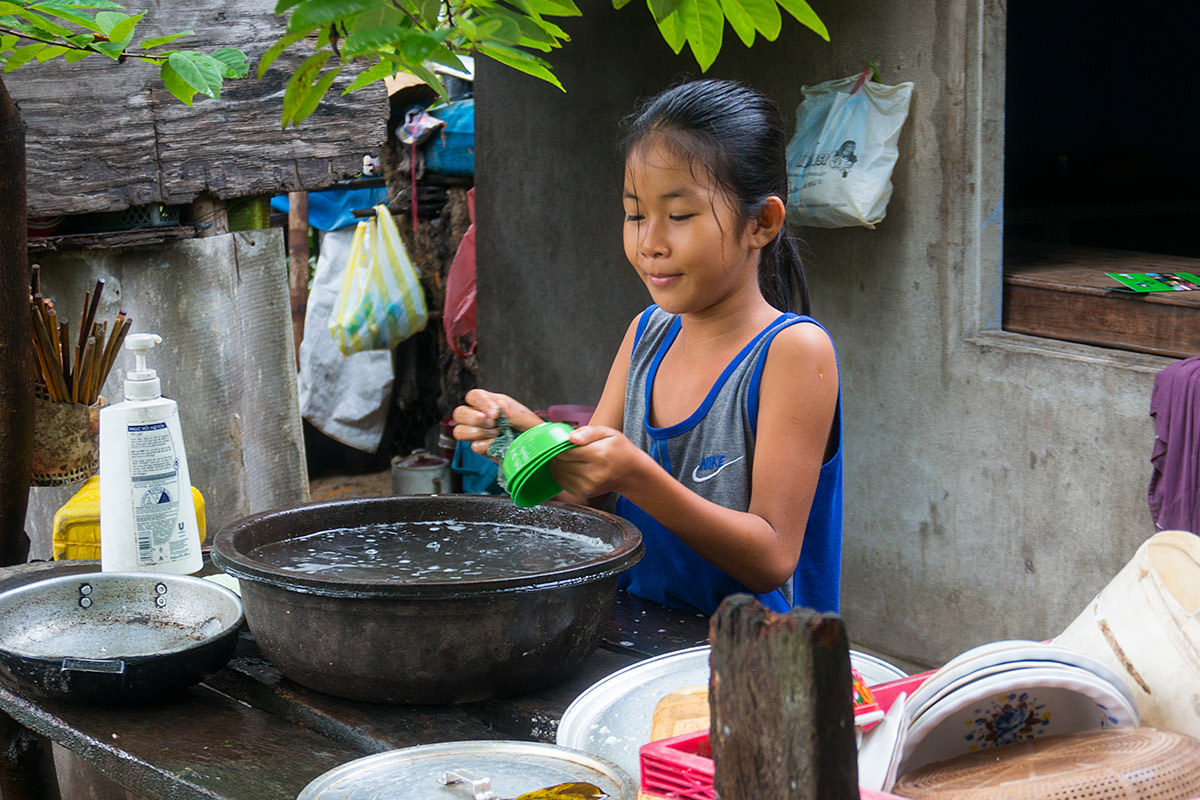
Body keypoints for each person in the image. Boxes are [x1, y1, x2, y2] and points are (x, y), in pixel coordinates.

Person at [453, 78, 843, 617]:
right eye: (636, 214)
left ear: (761, 223)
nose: (649, 242)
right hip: (643, 635)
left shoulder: (793, 351)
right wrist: (526, 445)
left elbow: (772, 556)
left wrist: (636, 473)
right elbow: (593, 501)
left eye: (679, 216)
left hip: (762, 663)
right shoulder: (646, 335)